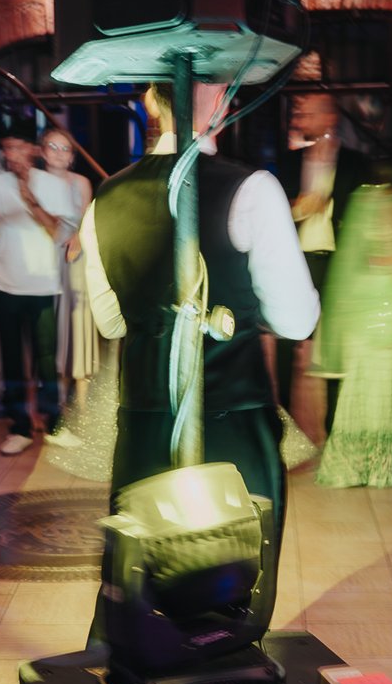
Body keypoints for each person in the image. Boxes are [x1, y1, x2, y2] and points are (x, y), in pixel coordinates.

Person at [81, 82, 319, 552]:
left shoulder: (105, 196)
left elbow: (112, 324)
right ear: (222, 103)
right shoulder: (253, 189)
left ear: (151, 103)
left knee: (147, 573)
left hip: (144, 423)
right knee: (234, 575)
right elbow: (296, 322)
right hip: (234, 424)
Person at [313, 184, 392, 488]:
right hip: (387, 297)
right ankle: (383, 465)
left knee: (362, 382)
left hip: (361, 296)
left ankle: (354, 463)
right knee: (387, 381)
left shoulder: (363, 196)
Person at [0, 119, 79, 456]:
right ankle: (19, 427)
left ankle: (54, 424)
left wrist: (29, 198)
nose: (12, 154)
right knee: (12, 359)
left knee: (47, 359)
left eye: (19, 147)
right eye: (7, 148)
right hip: (4, 283)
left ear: (34, 150)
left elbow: (58, 233)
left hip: (44, 284)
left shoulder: (53, 185)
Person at [275, 94, 371, 435]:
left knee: (334, 344)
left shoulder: (356, 163)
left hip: (337, 265)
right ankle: (284, 424)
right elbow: (275, 211)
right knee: (287, 341)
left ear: (329, 117)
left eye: (307, 112)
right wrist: (299, 208)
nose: (300, 118)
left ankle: (334, 426)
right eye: (299, 112)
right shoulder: (288, 162)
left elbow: (364, 217)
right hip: (297, 263)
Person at [39, 126, 99, 412]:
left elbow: (87, 220)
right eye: (53, 147)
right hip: (44, 258)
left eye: (65, 148)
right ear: (42, 152)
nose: (59, 153)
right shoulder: (34, 182)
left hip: (74, 256)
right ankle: (58, 394)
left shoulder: (81, 182)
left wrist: (78, 237)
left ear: (73, 156)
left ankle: (82, 397)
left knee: (77, 322)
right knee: (52, 324)